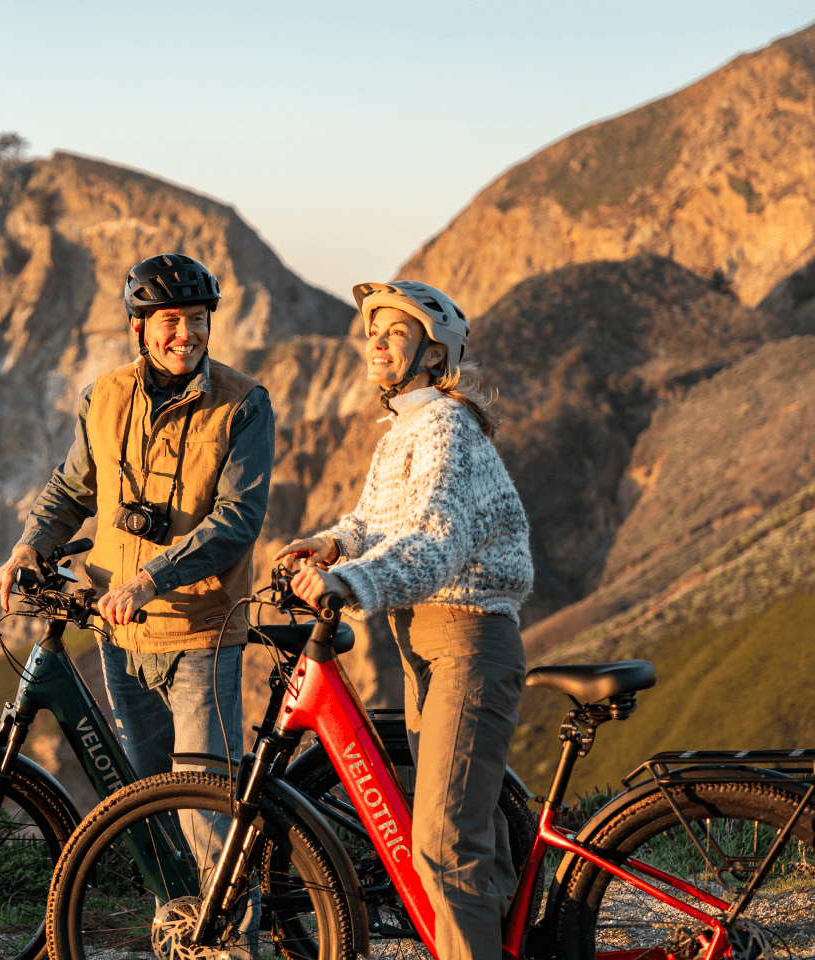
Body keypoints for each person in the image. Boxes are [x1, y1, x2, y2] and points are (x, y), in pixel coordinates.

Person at [275, 280, 533, 960]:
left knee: (446, 847)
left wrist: (346, 582)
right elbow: (377, 523)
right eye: (372, 331)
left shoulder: (445, 427)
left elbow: (436, 539)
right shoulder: (407, 431)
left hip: (467, 641)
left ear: (433, 351)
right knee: (466, 838)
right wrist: (333, 543)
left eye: (395, 331)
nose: (377, 341)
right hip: (432, 644)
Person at [0, 252, 275, 785]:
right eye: (171, 321)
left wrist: (151, 580)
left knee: (203, 805)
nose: (186, 334)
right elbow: (72, 489)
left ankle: (230, 873)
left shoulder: (244, 404)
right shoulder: (104, 396)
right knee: (144, 798)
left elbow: (238, 519)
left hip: (200, 632)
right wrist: (27, 549)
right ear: (139, 328)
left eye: (197, 320)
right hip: (119, 632)